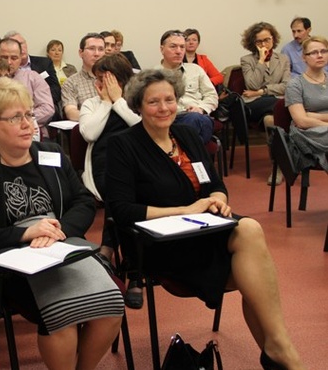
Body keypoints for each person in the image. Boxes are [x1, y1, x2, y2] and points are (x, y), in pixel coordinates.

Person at [106, 69, 306, 370]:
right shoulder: (123, 144)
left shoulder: (185, 134)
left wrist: (218, 201)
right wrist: (188, 209)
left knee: (249, 229)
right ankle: (280, 351)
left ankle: (278, 346)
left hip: (204, 227)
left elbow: (215, 184)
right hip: (159, 242)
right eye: (154, 102)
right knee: (254, 276)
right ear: (138, 106)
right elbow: (121, 210)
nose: (164, 108)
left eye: (169, 99)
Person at [0, 77, 124, 370]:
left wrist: (59, 232)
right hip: (14, 263)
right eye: (16, 117)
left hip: (62, 248)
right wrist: (25, 233)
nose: (28, 124)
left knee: (111, 306)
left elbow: (82, 202)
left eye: (29, 114)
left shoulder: (51, 154)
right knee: (64, 317)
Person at [78, 53, 142, 308]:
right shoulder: (91, 104)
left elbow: (141, 127)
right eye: (99, 79)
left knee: (124, 202)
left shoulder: (136, 100)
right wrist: (106, 103)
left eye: (107, 79)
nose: (101, 84)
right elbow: (89, 133)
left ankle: (107, 248)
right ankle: (136, 276)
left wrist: (118, 101)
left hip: (138, 164)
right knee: (122, 198)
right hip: (104, 166)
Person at [0, 38, 54, 140]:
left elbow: (47, 109)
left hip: (33, 134)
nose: (9, 62)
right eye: (4, 58)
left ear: (21, 58)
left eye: (14, 58)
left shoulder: (33, 77)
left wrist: (19, 120)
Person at [240, 22, 290, 184]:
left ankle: (278, 166)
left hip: (270, 106)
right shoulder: (247, 60)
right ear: (252, 43)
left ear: (273, 39)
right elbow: (252, 85)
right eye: (259, 42)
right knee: (285, 107)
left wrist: (262, 91)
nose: (263, 44)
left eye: (266, 40)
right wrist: (261, 61)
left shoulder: (283, 59)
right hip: (255, 104)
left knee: (271, 120)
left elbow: (286, 85)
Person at [157, 30, 217, 144]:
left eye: (182, 47)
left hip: (197, 116)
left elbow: (211, 95)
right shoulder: (152, 75)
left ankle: (183, 156)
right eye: (173, 47)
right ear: (162, 49)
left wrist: (201, 108)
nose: (179, 51)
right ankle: (194, 157)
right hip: (169, 120)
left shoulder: (196, 69)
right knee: (197, 125)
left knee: (198, 120)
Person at [285, 36, 328, 172]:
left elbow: (307, 116)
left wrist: (314, 116)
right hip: (308, 133)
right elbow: (301, 121)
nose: (320, 55)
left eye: (324, 51)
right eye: (314, 53)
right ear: (304, 57)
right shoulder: (295, 84)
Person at [5, 31, 62, 107]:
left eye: (21, 43)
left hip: (46, 110)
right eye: (16, 45)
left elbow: (56, 90)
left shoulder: (45, 63)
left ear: (26, 44)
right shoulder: (5, 69)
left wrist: (38, 101)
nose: (21, 48)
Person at [62, 33, 105, 121]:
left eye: (101, 49)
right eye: (92, 49)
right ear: (81, 53)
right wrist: (98, 119)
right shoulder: (71, 82)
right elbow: (71, 112)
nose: (97, 54)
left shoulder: (114, 78)